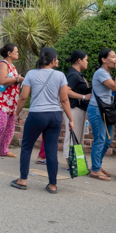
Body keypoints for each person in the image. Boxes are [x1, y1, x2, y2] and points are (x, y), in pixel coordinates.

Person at [11, 47, 74, 194]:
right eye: (56, 58)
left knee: (27, 146)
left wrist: (17, 113)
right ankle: (52, 185)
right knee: (51, 150)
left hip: (37, 115)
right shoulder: (60, 76)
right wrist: (70, 119)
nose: (57, 61)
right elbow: (64, 100)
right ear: (52, 60)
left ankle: (23, 180)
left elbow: (23, 97)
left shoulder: (31, 74)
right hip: (55, 116)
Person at [87, 48, 116, 181]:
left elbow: (108, 94)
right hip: (96, 110)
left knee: (107, 140)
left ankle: (97, 165)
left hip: (105, 111)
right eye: (112, 57)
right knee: (100, 139)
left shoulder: (106, 73)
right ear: (103, 59)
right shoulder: (101, 73)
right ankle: (95, 170)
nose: (115, 60)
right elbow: (115, 87)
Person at [61, 50, 91, 168]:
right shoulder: (73, 75)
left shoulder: (77, 74)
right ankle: (70, 164)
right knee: (72, 136)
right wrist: (83, 97)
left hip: (80, 109)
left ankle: (76, 163)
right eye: (86, 60)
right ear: (79, 61)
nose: (87, 62)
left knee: (78, 137)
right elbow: (66, 91)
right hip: (74, 108)